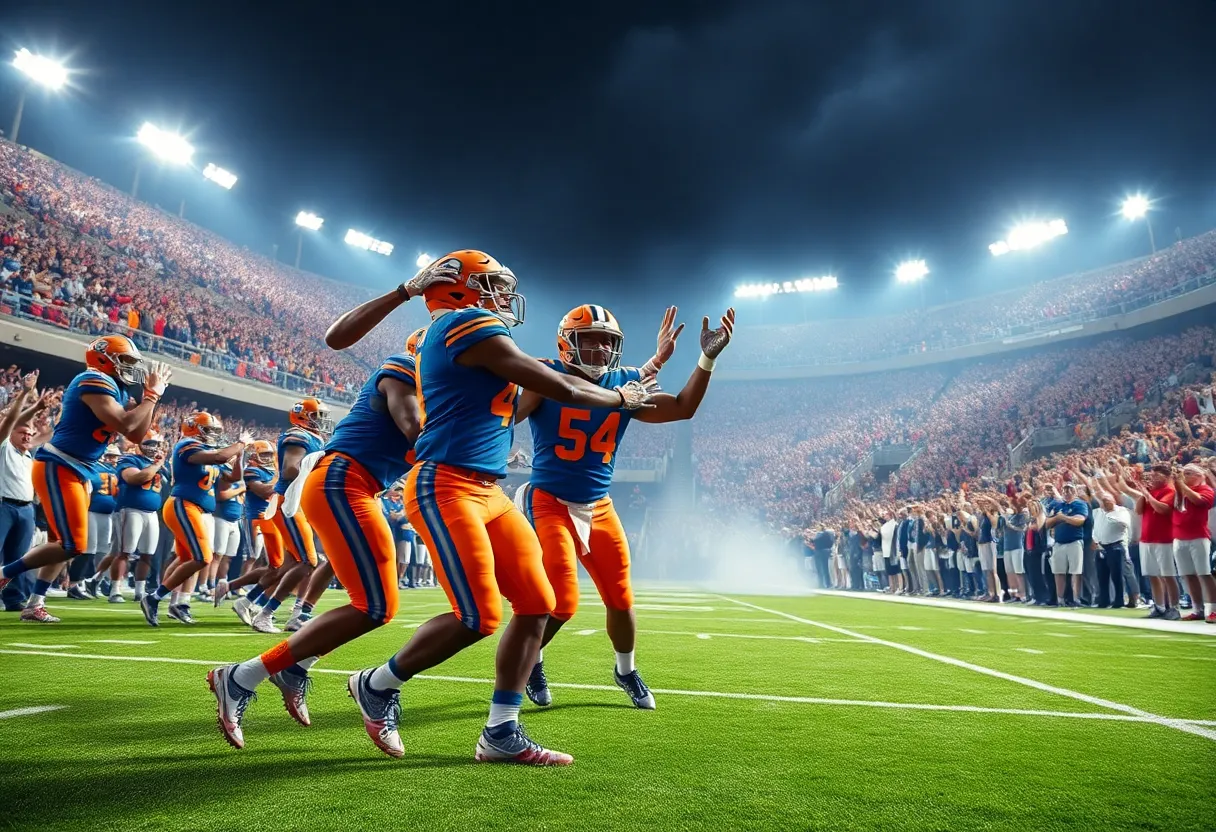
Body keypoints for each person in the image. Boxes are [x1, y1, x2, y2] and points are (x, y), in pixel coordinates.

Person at [315, 250, 658, 764]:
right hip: (449, 483)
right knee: (478, 615)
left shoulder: (458, 330)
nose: (503, 296)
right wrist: (621, 398)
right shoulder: (464, 321)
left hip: (487, 487)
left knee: (538, 605)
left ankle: (501, 731)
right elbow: (561, 385)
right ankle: (378, 682)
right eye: (493, 284)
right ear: (461, 287)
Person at [208, 328, 424, 748]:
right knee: (370, 601)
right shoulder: (407, 370)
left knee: (379, 605)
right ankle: (243, 672)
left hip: (360, 487)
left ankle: (284, 666)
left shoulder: (431, 390)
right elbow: (417, 429)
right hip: (344, 482)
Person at [514, 302, 734, 710]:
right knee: (561, 601)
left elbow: (683, 407)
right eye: (590, 339)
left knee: (621, 599)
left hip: (598, 505)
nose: (599, 349)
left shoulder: (626, 383)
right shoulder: (545, 375)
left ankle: (625, 670)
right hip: (548, 501)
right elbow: (507, 416)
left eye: (606, 341)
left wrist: (706, 358)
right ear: (567, 344)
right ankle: (531, 662)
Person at [0, 336, 171, 621]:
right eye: (125, 360)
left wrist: (150, 398)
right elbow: (127, 425)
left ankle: (34, 604)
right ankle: (5, 574)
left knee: (63, 544)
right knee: (73, 544)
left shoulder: (113, 387)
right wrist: (151, 396)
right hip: (60, 465)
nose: (130, 367)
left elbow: (137, 435)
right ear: (103, 359)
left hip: (79, 469)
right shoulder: (92, 380)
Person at [139, 412, 248, 626]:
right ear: (193, 428)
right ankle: (154, 597)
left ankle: (179, 603)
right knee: (202, 558)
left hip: (196, 509)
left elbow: (234, 477)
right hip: (184, 504)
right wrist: (240, 443)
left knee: (187, 558)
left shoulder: (207, 450)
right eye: (209, 430)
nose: (213, 435)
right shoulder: (186, 445)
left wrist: (240, 456)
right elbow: (219, 458)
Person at [249, 398, 331, 634]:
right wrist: (319, 471)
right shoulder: (298, 436)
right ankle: (265, 613)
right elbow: (291, 469)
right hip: (288, 501)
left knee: (305, 561)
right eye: (318, 416)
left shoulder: (312, 437)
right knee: (307, 561)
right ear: (303, 415)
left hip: (298, 502)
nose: (322, 421)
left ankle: (287, 613)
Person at [0, 371, 54, 613]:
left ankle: (13, 599)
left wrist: (49, 416)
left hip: (25, 508)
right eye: (23, 432)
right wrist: (27, 396)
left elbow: (50, 435)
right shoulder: (4, 447)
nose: (28, 436)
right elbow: (12, 419)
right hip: (3, 506)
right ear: (11, 432)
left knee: (18, 557)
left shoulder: (28, 455)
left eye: (31, 434)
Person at [98, 431, 168, 602]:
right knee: (124, 552)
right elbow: (136, 478)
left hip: (151, 512)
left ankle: (140, 591)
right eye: (149, 443)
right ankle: (115, 589)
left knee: (147, 554)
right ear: (138, 444)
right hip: (130, 509)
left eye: (155, 444)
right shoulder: (129, 459)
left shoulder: (159, 464)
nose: (153, 448)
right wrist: (157, 465)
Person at [225, 440, 278, 617]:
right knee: (253, 556)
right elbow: (264, 492)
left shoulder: (271, 470)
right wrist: (281, 479)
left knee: (270, 561)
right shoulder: (252, 471)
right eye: (263, 454)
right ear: (253, 455)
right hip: (255, 517)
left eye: (269, 454)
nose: (268, 458)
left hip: (271, 518)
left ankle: (248, 592)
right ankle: (242, 588)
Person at [1120, 464, 1180, 619]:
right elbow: (1139, 510)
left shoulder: (1170, 491)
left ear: (1166, 476)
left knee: (1168, 575)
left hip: (1164, 539)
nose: (1152, 478)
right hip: (1146, 539)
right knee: (1152, 574)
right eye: (1152, 475)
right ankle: (1159, 606)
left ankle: (1174, 607)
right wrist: (1143, 493)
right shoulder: (1150, 492)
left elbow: (1162, 509)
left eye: (1156, 475)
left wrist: (1147, 494)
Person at [69, 445, 121, 599]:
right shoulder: (93, 467)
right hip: (91, 510)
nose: (112, 459)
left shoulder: (118, 470)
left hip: (108, 513)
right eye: (109, 456)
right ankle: (76, 583)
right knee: (88, 549)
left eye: (114, 456)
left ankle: (96, 581)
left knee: (103, 550)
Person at [1171, 464, 1215, 622]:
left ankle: (1213, 609)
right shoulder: (1180, 491)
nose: (1185, 476)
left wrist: (1182, 485)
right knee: (1188, 575)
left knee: (1204, 573)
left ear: (1200, 475)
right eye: (1185, 473)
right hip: (1179, 537)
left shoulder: (1206, 490)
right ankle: (1198, 608)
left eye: (1189, 473)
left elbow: (1200, 502)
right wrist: (1178, 484)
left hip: (1198, 536)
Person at [1046, 482, 1088, 607]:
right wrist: (1059, 518)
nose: (1067, 492)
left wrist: (1062, 518)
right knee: (1059, 572)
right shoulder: (1059, 505)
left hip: (1074, 541)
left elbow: (1080, 520)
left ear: (1074, 492)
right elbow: (1047, 523)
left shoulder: (1080, 504)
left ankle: (1076, 598)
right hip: (1059, 542)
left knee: (1076, 571)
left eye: (1070, 490)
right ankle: (1060, 599)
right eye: (1065, 490)